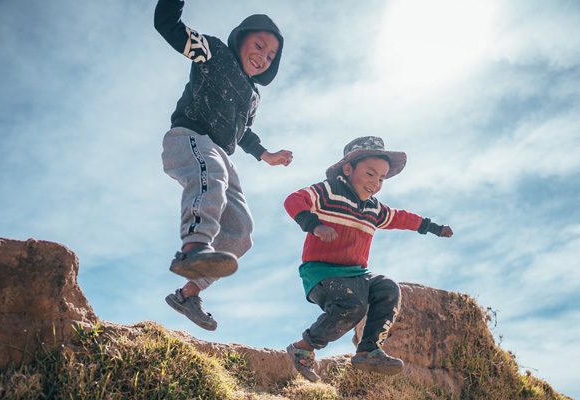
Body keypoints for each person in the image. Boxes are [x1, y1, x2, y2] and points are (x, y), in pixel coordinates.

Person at [154, 0, 292, 331]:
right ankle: (193, 247)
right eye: (259, 45)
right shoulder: (214, 53)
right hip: (189, 136)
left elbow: (242, 131)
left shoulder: (253, 95)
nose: (263, 56)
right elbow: (168, 26)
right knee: (211, 172)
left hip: (219, 153)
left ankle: (189, 294)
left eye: (270, 55)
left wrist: (265, 155)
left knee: (241, 229)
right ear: (240, 39)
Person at [283, 136, 453, 381]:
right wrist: (314, 225)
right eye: (370, 174)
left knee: (387, 288)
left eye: (382, 178)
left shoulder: (375, 209)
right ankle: (303, 347)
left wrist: (434, 227)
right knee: (353, 305)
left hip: (356, 274)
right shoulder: (329, 191)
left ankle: (368, 349)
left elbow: (401, 218)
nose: (375, 183)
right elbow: (294, 200)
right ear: (348, 169)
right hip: (322, 272)